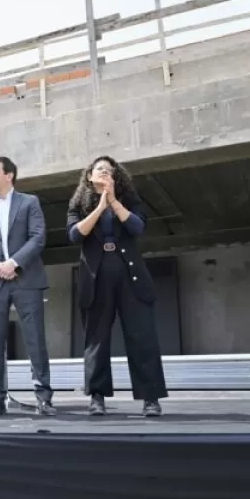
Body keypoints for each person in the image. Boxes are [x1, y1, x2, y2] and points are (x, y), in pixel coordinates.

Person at [66, 155, 167, 417]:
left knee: (141, 336)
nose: (103, 172)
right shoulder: (79, 203)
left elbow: (137, 227)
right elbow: (75, 234)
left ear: (116, 176)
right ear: (89, 176)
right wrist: (100, 207)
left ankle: (150, 398)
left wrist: (113, 201)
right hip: (96, 277)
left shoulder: (129, 200)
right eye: (98, 169)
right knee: (97, 339)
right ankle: (97, 397)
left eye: (109, 170)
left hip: (130, 275)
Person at [0, 156, 55, 416]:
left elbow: (38, 237)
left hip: (26, 280)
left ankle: (43, 398)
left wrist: (14, 263)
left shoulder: (30, 202)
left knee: (35, 339)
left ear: (9, 175)